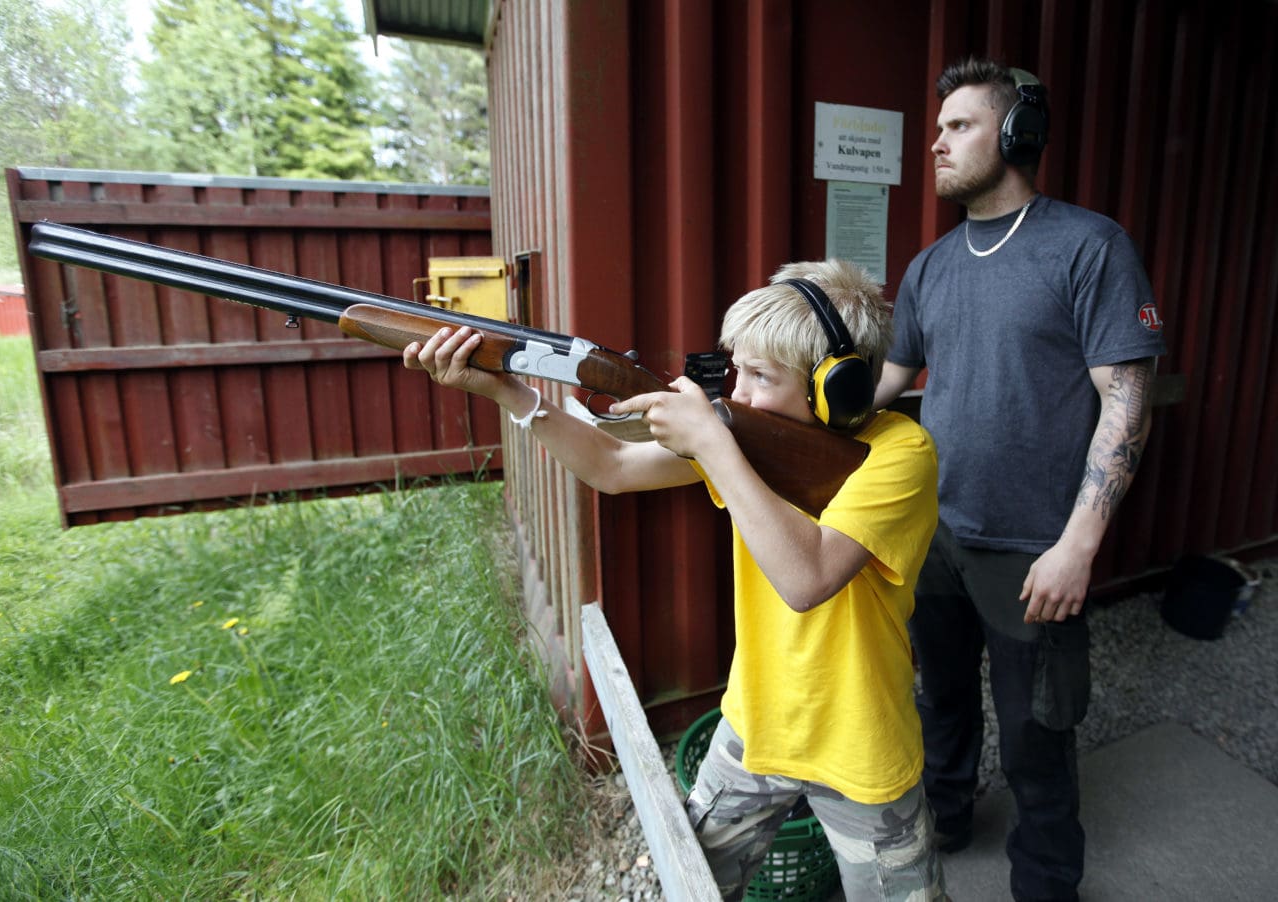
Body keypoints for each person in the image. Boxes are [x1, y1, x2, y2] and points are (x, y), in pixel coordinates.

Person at [403, 259, 946, 901]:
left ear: (839, 389)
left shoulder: (901, 456)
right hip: (755, 723)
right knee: (692, 883)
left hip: (862, 742)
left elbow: (809, 577)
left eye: (761, 377)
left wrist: (713, 445)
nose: (736, 394)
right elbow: (610, 465)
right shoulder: (747, 439)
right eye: (735, 368)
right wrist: (509, 394)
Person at [872, 57, 1167, 901]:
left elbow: (1129, 398)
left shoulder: (1088, 245)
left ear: (1015, 134)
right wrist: (772, 402)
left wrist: (1079, 544)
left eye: (957, 126)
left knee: (1040, 730)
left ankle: (1045, 881)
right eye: (937, 129)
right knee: (944, 702)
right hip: (938, 537)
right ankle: (951, 816)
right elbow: (888, 389)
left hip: (1035, 548)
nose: (935, 144)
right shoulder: (931, 266)